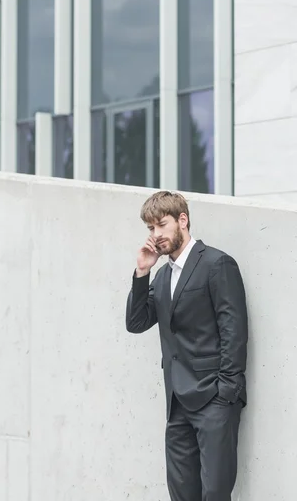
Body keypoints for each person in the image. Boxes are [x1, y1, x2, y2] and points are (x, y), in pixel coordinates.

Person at [126, 191, 248, 501]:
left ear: (183, 220)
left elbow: (233, 330)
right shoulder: (163, 275)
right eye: (150, 228)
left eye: (161, 225)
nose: (156, 235)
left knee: (215, 493)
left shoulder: (217, 263)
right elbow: (136, 322)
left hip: (213, 399)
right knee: (181, 494)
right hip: (178, 402)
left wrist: (227, 392)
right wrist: (143, 271)